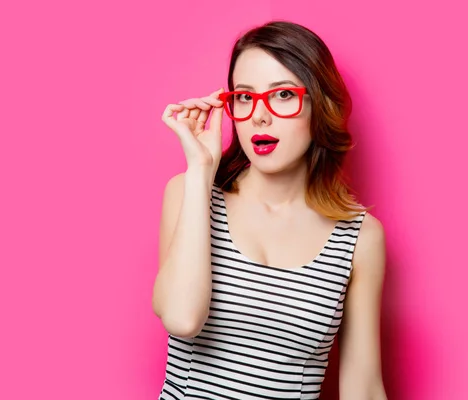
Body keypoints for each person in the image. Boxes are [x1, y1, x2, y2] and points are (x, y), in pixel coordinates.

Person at [152, 20, 388, 400]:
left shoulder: (360, 237)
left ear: (319, 103)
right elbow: (182, 319)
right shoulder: (188, 193)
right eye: (244, 97)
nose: (259, 116)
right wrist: (200, 171)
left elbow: (363, 387)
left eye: (281, 95)